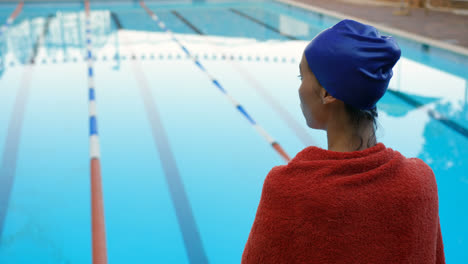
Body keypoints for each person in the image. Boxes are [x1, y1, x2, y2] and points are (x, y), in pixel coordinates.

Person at [241, 19, 445, 264]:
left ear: (327, 93)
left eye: (301, 76)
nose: (299, 89)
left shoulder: (288, 189)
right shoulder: (421, 183)